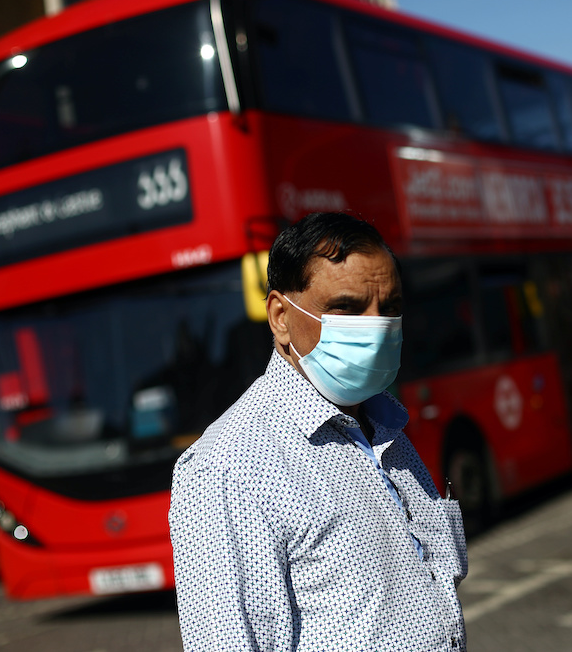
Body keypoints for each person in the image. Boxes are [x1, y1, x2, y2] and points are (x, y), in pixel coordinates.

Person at [169, 212, 468, 651]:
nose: (377, 326)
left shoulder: (386, 428)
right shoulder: (227, 468)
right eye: (346, 308)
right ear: (280, 317)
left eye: (391, 309)